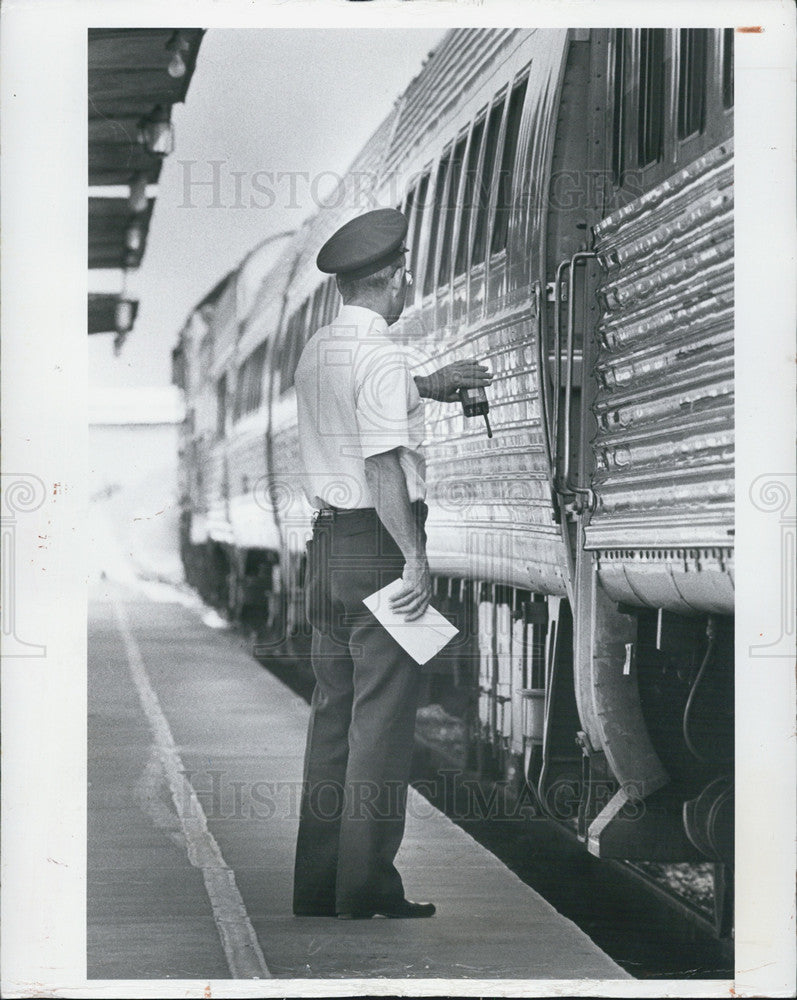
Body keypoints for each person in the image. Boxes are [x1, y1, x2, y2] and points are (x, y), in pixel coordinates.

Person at [291, 207, 492, 919]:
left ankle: (318, 887)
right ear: (397, 278)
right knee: (381, 721)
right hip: (377, 545)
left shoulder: (319, 350)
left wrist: (429, 383)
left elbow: (363, 411)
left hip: (326, 548)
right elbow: (380, 463)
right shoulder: (381, 355)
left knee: (334, 714)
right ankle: (368, 887)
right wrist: (413, 558)